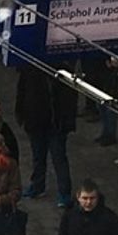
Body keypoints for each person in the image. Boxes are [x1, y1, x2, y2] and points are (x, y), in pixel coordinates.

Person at [15, 65, 77, 207]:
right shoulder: (30, 68)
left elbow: (70, 98)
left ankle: (63, 192)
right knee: (39, 156)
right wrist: (21, 113)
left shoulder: (62, 68)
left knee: (58, 158)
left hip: (55, 123)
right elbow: (22, 90)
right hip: (37, 121)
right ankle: (38, 185)